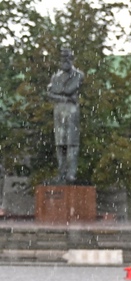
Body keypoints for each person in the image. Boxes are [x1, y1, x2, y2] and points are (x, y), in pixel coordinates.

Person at [47, 48, 85, 185]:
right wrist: (65, 97)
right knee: (60, 144)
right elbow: (50, 93)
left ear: (72, 59)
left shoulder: (78, 75)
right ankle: (61, 173)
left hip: (72, 111)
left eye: (67, 58)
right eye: (62, 58)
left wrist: (60, 93)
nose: (65, 61)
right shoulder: (55, 77)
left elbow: (69, 89)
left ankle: (71, 174)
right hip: (59, 111)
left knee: (72, 143)